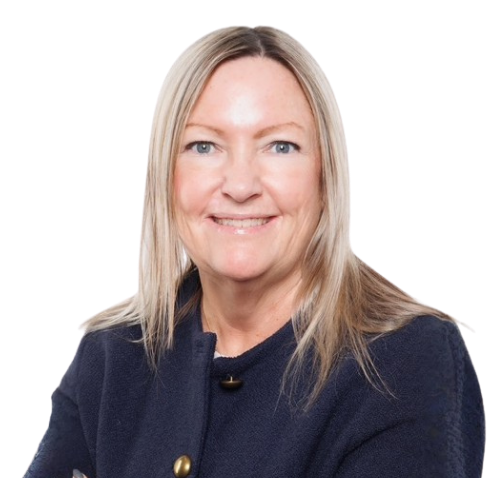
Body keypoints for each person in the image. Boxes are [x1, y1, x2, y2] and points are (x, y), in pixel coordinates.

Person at [24, 25, 486, 478]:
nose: (241, 185)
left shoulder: (406, 359)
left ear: (325, 176)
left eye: (280, 146)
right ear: (167, 176)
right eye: (203, 146)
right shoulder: (110, 354)